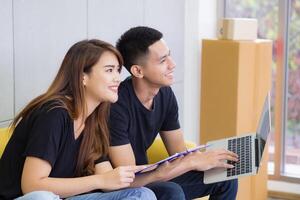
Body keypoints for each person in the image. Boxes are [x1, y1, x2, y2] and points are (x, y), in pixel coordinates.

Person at [0, 39, 156, 200]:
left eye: (118, 70)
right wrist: (100, 181)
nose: (117, 78)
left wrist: (158, 173)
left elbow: (109, 180)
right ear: (83, 77)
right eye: (109, 70)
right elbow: (32, 186)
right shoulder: (53, 114)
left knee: (142, 194)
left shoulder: (94, 120)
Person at [108, 26, 239, 200]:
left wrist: (207, 158)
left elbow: (178, 152)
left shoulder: (164, 93)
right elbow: (127, 179)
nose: (172, 64)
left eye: (169, 55)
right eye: (163, 61)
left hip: (152, 176)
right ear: (138, 71)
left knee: (225, 176)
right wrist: (191, 161)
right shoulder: (116, 107)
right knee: (171, 191)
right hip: (124, 187)